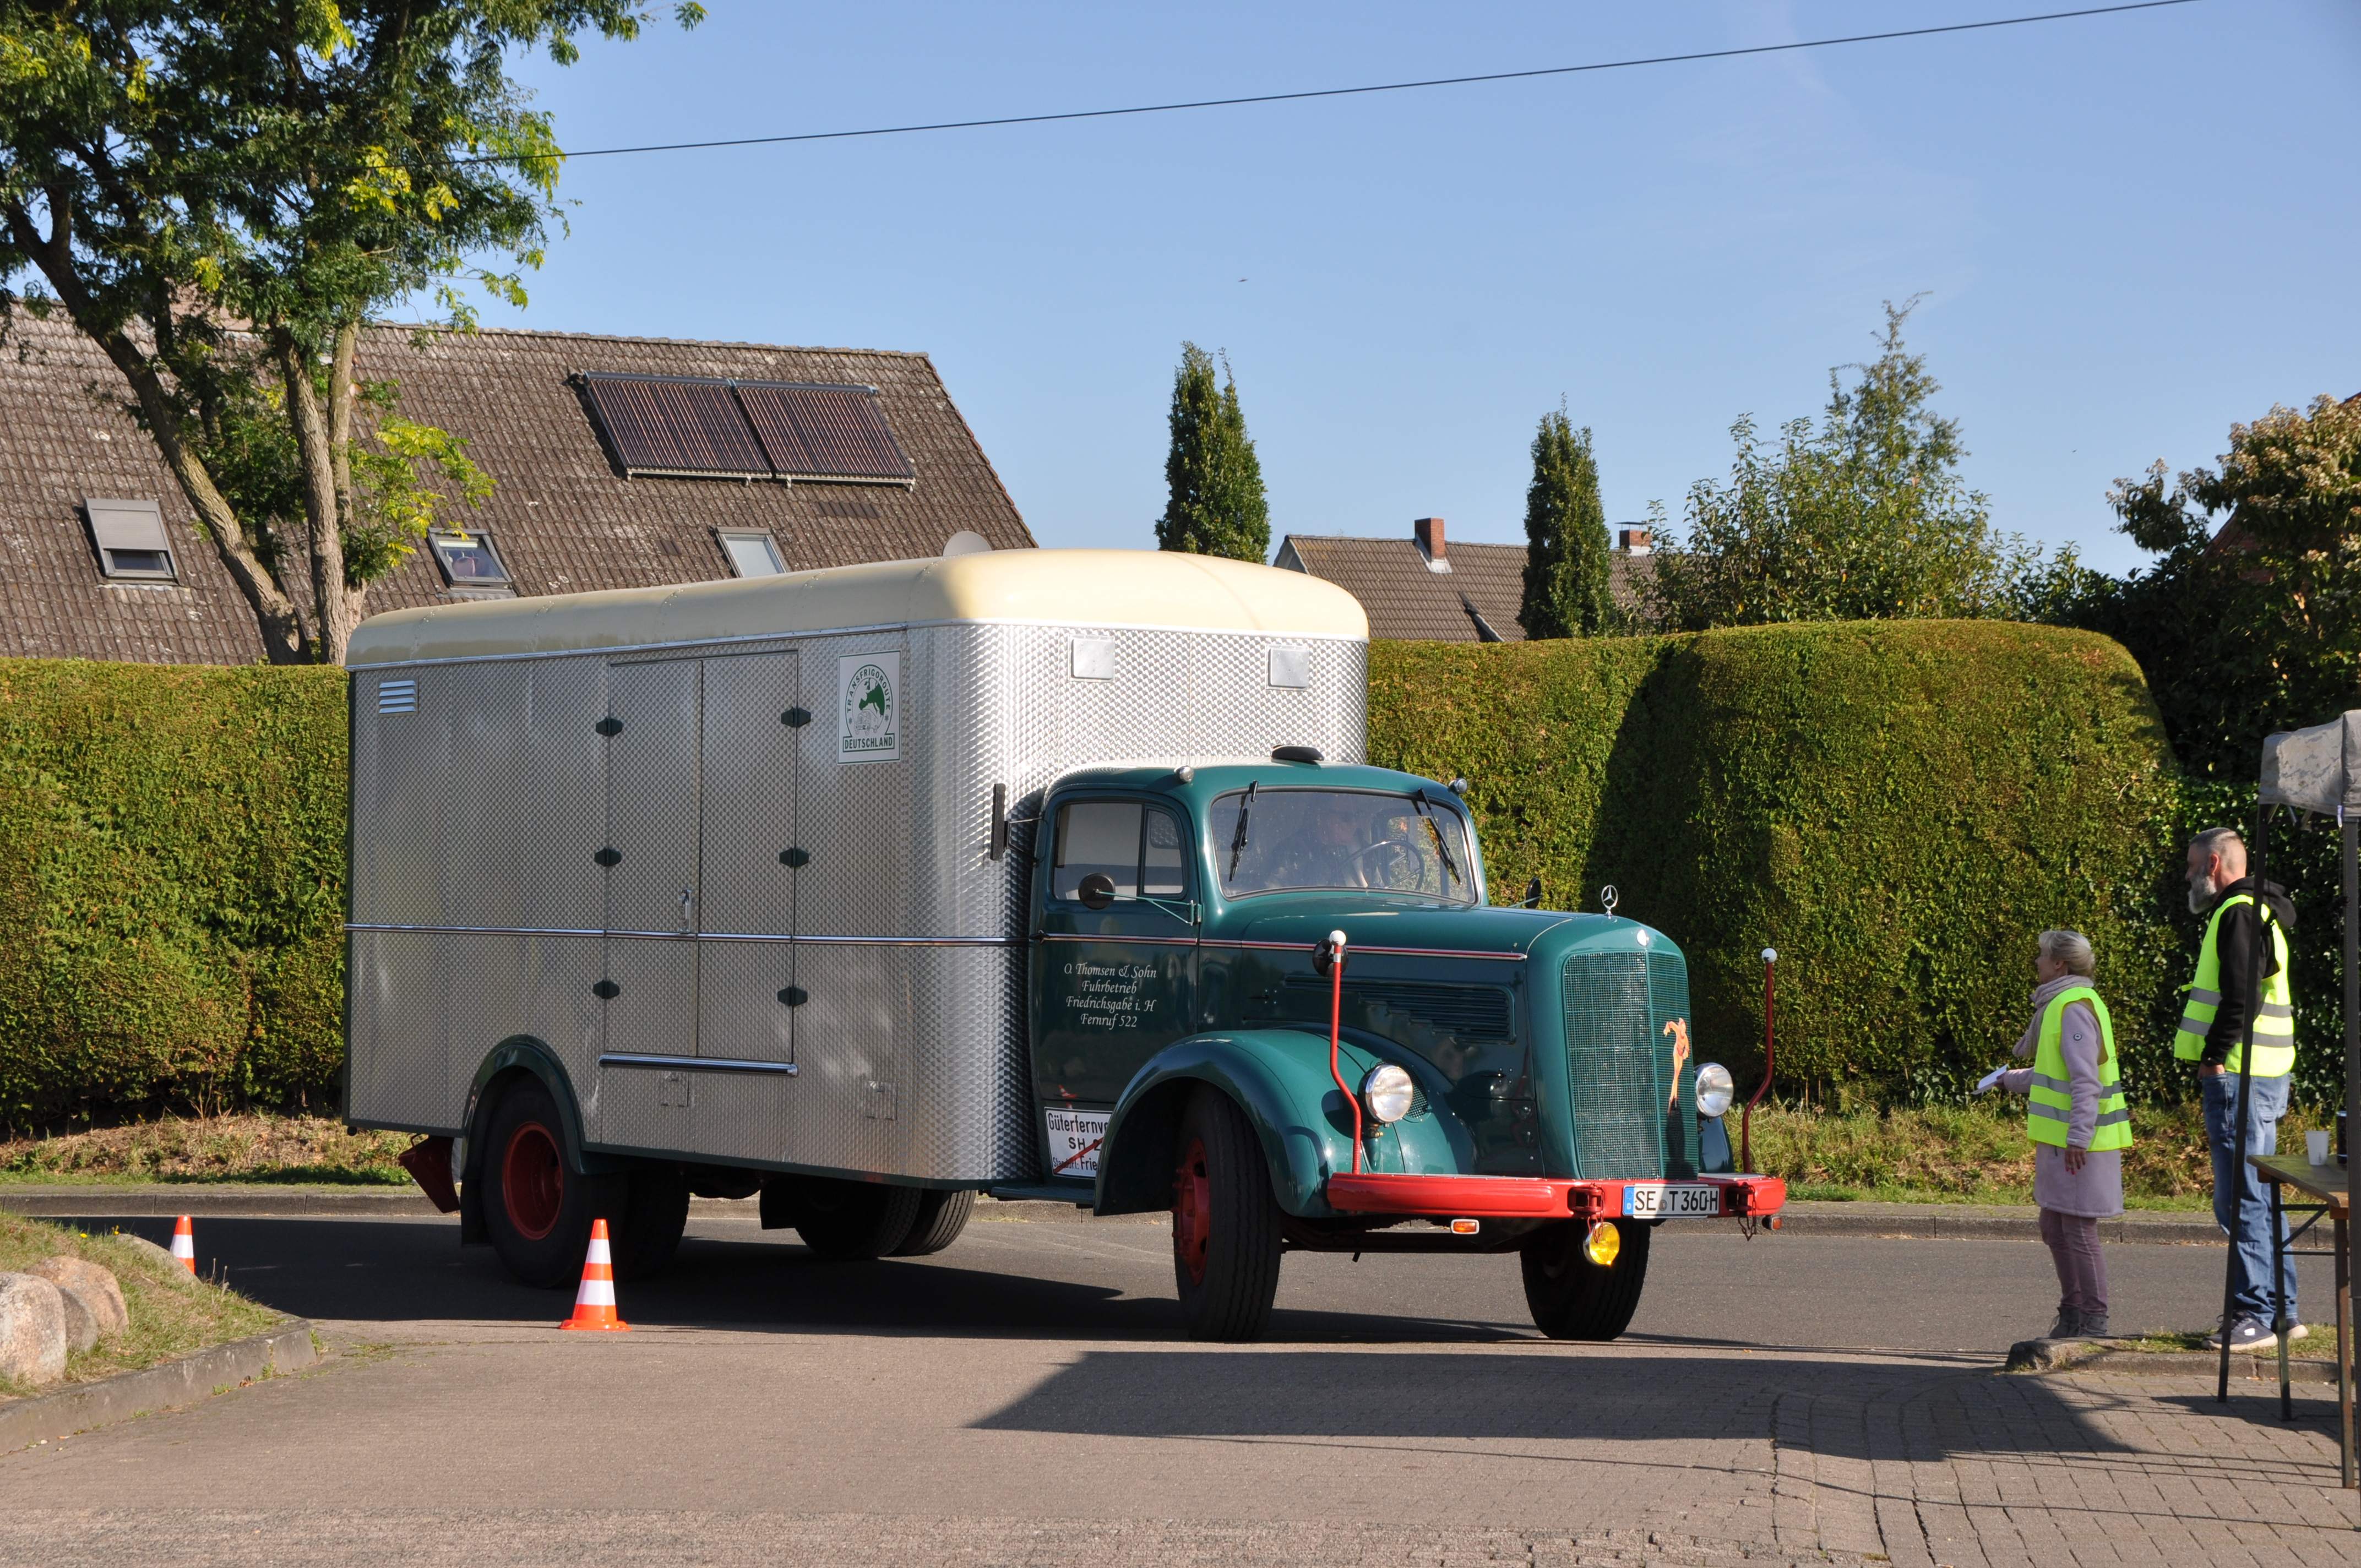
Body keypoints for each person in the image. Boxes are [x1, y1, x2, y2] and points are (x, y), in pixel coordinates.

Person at [2176, 826, 2299, 1350]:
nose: (2186, 876)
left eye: (2190, 866)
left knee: (2241, 1199)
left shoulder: (2236, 912)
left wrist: (2212, 1059)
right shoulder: (2263, 908)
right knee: (2260, 1197)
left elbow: (2240, 997)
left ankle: (2254, 1313)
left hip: (2238, 1074)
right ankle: (2284, 1312)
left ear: (2211, 864)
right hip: (2266, 1072)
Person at [1994, 929, 2129, 1340]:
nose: (2035, 962)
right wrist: (2007, 1080)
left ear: (2059, 965)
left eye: (2041, 956)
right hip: (2065, 1143)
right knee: (2055, 1227)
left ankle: (2093, 1321)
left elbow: (2086, 1082)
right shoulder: (2062, 1004)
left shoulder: (2072, 1008)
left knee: (2078, 1230)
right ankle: (2073, 1313)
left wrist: (2077, 1138)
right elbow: (2056, 1074)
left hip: (2079, 1145)